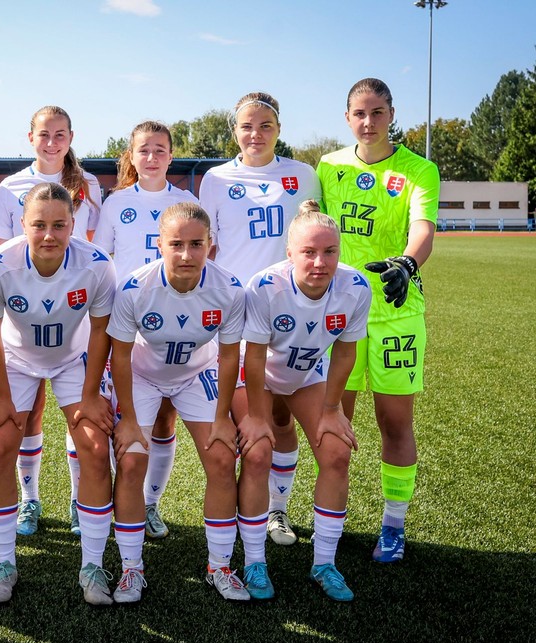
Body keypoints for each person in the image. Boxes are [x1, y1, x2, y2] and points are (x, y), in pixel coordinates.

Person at [315, 77, 440, 564]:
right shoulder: (328, 167)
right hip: (338, 313)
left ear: (392, 115)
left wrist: (407, 265)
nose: (368, 122)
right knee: (334, 420)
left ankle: (393, 526)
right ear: (347, 118)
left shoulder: (418, 169)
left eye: (378, 112)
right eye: (359, 113)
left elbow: (423, 229)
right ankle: (332, 518)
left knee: (394, 421)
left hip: (396, 315)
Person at [0, 182, 116, 605]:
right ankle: (4, 563)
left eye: (60, 224)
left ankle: (92, 565)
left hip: (74, 358)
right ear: (23, 224)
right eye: (39, 225)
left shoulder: (97, 264)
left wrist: (91, 393)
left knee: (94, 446)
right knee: (0, 447)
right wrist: (1, 396)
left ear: (75, 224)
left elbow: (99, 330)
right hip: (17, 360)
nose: (50, 234)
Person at [199, 92, 322, 548]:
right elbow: (207, 246)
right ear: (235, 130)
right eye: (247, 126)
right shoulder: (215, 179)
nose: (256, 134)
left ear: (279, 129)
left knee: (282, 420)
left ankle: (277, 509)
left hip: (287, 312)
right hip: (234, 312)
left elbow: (310, 237)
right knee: (243, 419)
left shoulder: (302, 176)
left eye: (265, 125)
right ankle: (239, 508)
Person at [107, 202, 246, 604]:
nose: (187, 254)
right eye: (177, 244)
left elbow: (228, 355)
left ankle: (219, 565)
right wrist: (129, 419)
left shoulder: (229, 289)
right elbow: (118, 355)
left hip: (194, 374)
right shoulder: (135, 288)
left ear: (210, 245)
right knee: (132, 459)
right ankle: (132, 569)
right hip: (144, 375)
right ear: (160, 246)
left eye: (196, 244)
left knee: (222, 457)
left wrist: (222, 417)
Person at [239, 200, 371, 602]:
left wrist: (331, 410)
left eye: (329, 251)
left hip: (307, 373)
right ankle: (255, 563)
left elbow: (346, 352)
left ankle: (325, 563)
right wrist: (257, 415)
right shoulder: (265, 287)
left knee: (335, 452)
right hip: (256, 375)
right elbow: (256, 356)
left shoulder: (355, 287)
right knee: (259, 451)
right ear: (290, 253)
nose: (320, 262)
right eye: (309, 252)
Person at [0, 106, 103, 538]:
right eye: (44, 134)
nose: (51, 142)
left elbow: (87, 247)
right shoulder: (12, 185)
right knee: (27, 414)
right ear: (30, 137)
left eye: (60, 134)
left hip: (71, 317)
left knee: (83, 420)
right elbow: (3, 248)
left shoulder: (87, 185)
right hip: (25, 315)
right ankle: (30, 500)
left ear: (71, 137)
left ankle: (78, 501)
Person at [93, 120, 198, 540]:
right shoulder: (117, 202)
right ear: (131, 157)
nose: (152, 157)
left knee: (164, 417)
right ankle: (113, 500)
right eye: (144, 150)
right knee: (122, 415)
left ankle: (149, 503)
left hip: (176, 321)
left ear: (170, 156)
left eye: (160, 150)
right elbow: (101, 260)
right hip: (125, 321)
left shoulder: (187, 200)